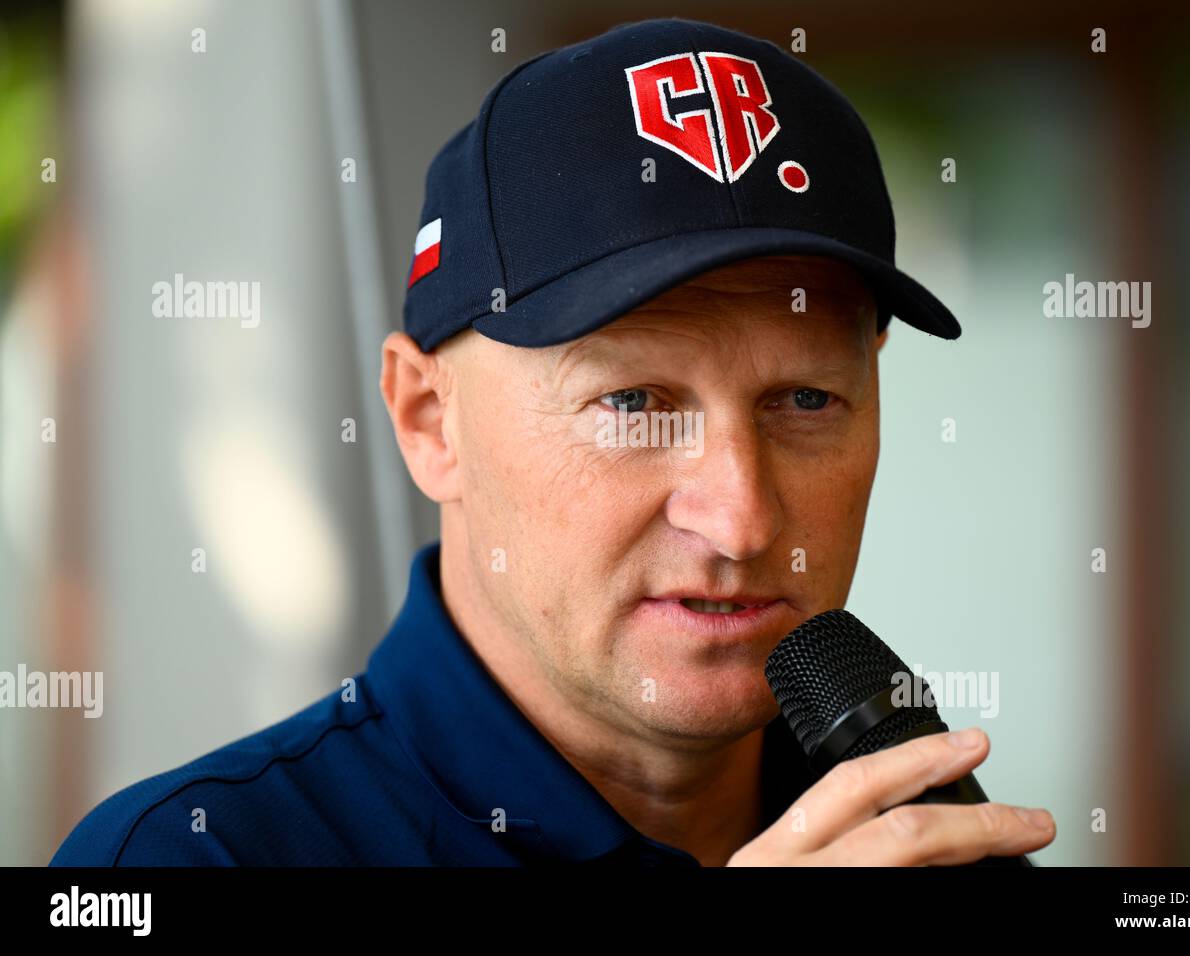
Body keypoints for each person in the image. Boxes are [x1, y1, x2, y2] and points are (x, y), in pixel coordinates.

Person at [51, 17, 1055, 867]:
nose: (742, 518)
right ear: (429, 421)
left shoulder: (919, 831)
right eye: (633, 403)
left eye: (804, 398)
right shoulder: (187, 857)